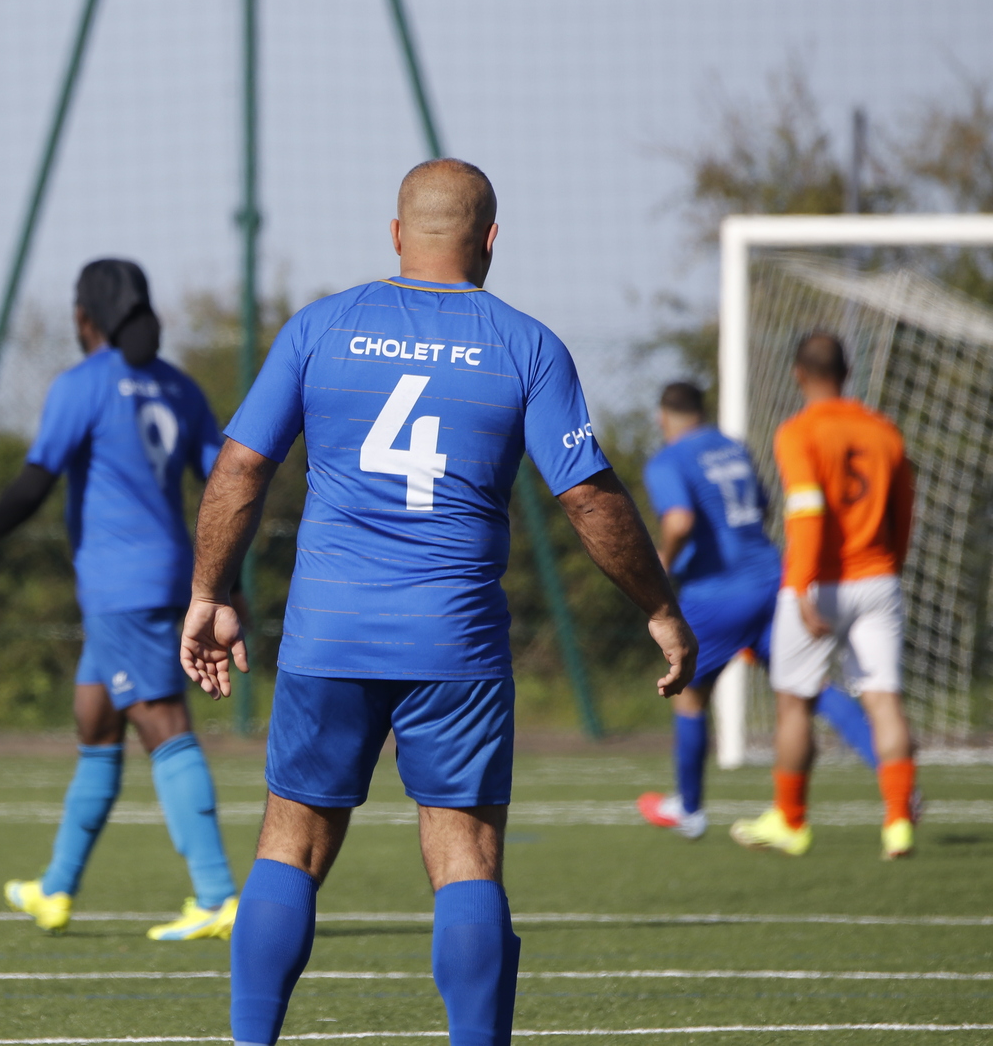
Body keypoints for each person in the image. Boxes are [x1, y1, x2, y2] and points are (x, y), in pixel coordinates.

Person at [180, 159, 697, 1046]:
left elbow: (241, 465)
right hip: (453, 640)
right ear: (490, 240)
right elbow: (588, 496)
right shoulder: (526, 344)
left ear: (395, 234)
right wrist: (658, 606)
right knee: (466, 855)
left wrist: (208, 592)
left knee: (290, 843)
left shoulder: (320, 327)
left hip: (329, 630)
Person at [0, 258, 239, 941]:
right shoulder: (180, 386)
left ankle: (216, 894)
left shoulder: (82, 384)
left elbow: (36, 479)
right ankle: (56, 888)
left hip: (121, 588)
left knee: (163, 720)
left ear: (85, 317)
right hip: (167, 575)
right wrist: (227, 578)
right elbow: (225, 479)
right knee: (96, 721)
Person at [634, 382, 874, 841]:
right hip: (772, 579)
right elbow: (761, 507)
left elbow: (680, 519)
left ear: (663, 418)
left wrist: (662, 563)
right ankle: (895, 777)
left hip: (717, 592)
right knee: (809, 686)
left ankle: (689, 808)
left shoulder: (668, 460)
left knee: (689, 696)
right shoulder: (732, 447)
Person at [731, 332, 918, 860]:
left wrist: (801, 586)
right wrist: (892, 567)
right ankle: (898, 821)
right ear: (847, 372)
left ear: (798, 374)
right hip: (878, 578)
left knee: (794, 702)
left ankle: (791, 821)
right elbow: (904, 508)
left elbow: (808, 511)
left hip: (820, 583)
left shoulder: (799, 431)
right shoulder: (883, 430)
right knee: (884, 700)